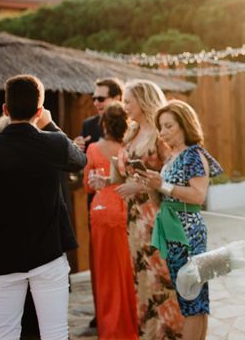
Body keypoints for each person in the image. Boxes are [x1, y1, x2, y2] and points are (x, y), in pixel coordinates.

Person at [0, 75, 86, 340]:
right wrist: (51, 124)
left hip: (2, 257)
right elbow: (79, 159)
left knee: (5, 334)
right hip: (48, 254)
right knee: (55, 333)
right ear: (39, 111)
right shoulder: (54, 143)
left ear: (5, 109)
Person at [138, 99, 223, 340]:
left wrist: (162, 185)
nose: (163, 132)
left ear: (185, 125)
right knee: (192, 299)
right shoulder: (173, 157)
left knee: (192, 298)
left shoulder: (193, 156)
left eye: (169, 126)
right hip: (172, 229)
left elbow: (198, 196)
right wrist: (153, 185)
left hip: (187, 234)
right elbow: (165, 197)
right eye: (161, 127)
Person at [116, 80, 184, 339]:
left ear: (143, 101)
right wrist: (112, 180)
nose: (125, 107)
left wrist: (140, 186)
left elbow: (175, 176)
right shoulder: (131, 133)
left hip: (157, 215)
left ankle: (169, 332)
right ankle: (148, 333)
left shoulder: (161, 135)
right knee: (142, 276)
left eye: (128, 101)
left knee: (161, 276)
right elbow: (124, 171)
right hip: (134, 219)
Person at [84, 102, 138, 340]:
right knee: (127, 269)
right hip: (126, 208)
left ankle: (110, 329)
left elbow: (87, 184)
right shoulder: (129, 148)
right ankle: (131, 324)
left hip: (102, 211)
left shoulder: (94, 149)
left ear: (104, 123)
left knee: (105, 272)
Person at [74, 77, 123, 331]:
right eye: (93, 98)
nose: (95, 102)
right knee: (99, 260)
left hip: (125, 201)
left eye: (100, 98)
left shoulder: (129, 126)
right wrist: (79, 149)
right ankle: (101, 311)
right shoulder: (89, 124)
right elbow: (86, 167)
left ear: (117, 98)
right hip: (98, 203)